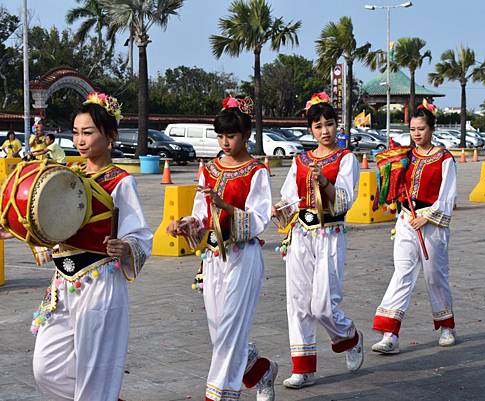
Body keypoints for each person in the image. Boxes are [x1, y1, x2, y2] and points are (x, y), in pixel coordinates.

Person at [14, 92, 152, 401]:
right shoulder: (67, 177)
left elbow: (141, 235)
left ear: (110, 135)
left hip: (99, 282)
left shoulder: (120, 181)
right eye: (76, 132)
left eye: (88, 132)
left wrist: (126, 247)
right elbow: (48, 224)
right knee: (46, 369)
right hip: (63, 284)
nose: (80, 139)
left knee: (94, 371)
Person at [166, 96, 277, 401]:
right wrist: (187, 224)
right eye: (221, 136)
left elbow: (258, 219)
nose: (225, 142)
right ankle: (261, 370)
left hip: (243, 257)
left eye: (231, 136)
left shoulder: (256, 172)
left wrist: (225, 205)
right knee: (219, 330)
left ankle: (220, 396)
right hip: (213, 258)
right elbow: (200, 214)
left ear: (246, 135)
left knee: (229, 329)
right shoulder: (209, 170)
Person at [273, 92, 363, 389]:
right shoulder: (300, 160)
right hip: (300, 235)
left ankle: (349, 336)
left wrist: (325, 182)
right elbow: (290, 197)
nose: (325, 131)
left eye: (329, 124)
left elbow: (346, 200)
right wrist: (280, 209)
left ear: (338, 125)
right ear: (310, 129)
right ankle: (303, 367)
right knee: (298, 302)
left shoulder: (346, 158)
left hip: (329, 234)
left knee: (323, 304)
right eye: (318, 126)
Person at [371, 101, 457, 354]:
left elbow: (448, 195)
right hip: (407, 221)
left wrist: (428, 216)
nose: (416, 133)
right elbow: (395, 184)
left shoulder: (444, 159)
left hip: (432, 225)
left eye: (421, 128)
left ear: (431, 129)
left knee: (435, 275)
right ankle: (390, 333)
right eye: (412, 129)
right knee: (402, 272)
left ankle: (446, 326)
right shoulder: (404, 157)